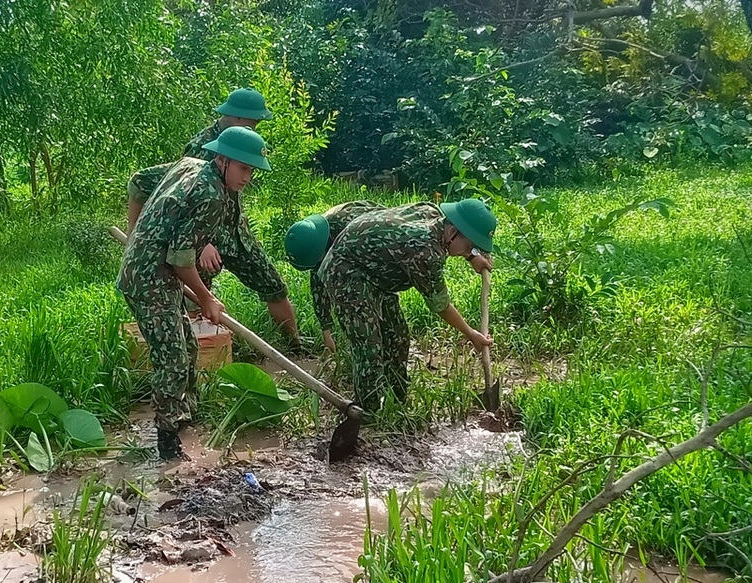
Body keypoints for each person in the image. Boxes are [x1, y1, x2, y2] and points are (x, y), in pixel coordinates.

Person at [117, 126, 271, 460]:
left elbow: (143, 183)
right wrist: (206, 298)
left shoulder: (190, 164)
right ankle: (168, 443)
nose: (248, 176)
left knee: (186, 344)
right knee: (172, 356)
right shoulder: (210, 195)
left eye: (252, 169)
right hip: (148, 278)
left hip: (155, 270)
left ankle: (185, 419)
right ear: (222, 159)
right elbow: (181, 260)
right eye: (243, 168)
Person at [125, 89, 300, 348]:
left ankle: (294, 343)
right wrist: (202, 243)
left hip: (234, 234)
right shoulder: (203, 148)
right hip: (197, 241)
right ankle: (208, 357)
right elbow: (162, 189)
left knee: (272, 284)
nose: (255, 128)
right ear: (237, 119)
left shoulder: (244, 144)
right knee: (197, 299)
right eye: (253, 122)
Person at [317, 198, 496, 413]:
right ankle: (370, 414)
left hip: (377, 272)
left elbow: (459, 240)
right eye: (469, 246)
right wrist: (471, 333)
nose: (469, 251)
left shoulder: (431, 212)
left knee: (398, 337)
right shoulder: (424, 252)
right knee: (369, 347)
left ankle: (397, 402)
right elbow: (441, 305)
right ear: (452, 233)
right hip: (346, 273)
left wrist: (471, 255)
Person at [284, 200, 382, 353]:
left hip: (382, 242)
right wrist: (326, 333)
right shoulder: (314, 240)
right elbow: (318, 283)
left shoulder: (349, 229)